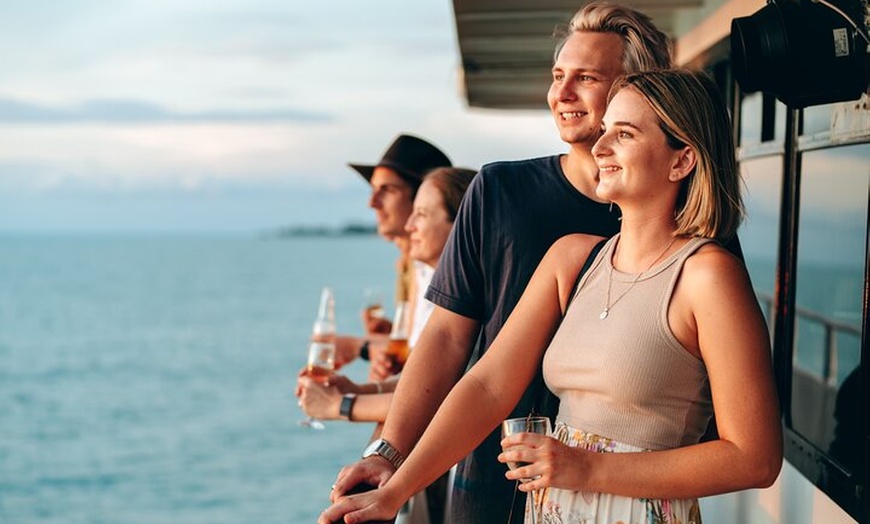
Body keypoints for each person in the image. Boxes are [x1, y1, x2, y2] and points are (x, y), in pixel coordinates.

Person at [319, 68, 783, 524]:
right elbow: (487, 386)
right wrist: (395, 482)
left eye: (624, 134)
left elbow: (754, 458)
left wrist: (587, 468)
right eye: (604, 131)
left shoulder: (708, 276)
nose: (599, 147)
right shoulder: (571, 259)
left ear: (681, 160)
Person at [327, 4, 672, 523]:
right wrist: (388, 454)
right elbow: (447, 339)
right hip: (486, 482)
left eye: (587, 78)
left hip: (619, 500)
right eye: (558, 76)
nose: (562, 93)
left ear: (634, 92)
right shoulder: (499, 191)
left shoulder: (679, 226)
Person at [297, 167, 477, 524]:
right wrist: (364, 384)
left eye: (421, 214)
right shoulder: (422, 276)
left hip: (449, 468)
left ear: (461, 225)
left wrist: (343, 404)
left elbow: (443, 391)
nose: (410, 226)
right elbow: (423, 372)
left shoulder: (467, 303)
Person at [327, 134, 452, 380]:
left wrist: (361, 347)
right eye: (373, 190)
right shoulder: (411, 265)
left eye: (387, 190)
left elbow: (439, 369)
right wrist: (390, 337)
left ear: (421, 197)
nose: (372, 203)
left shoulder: (440, 270)